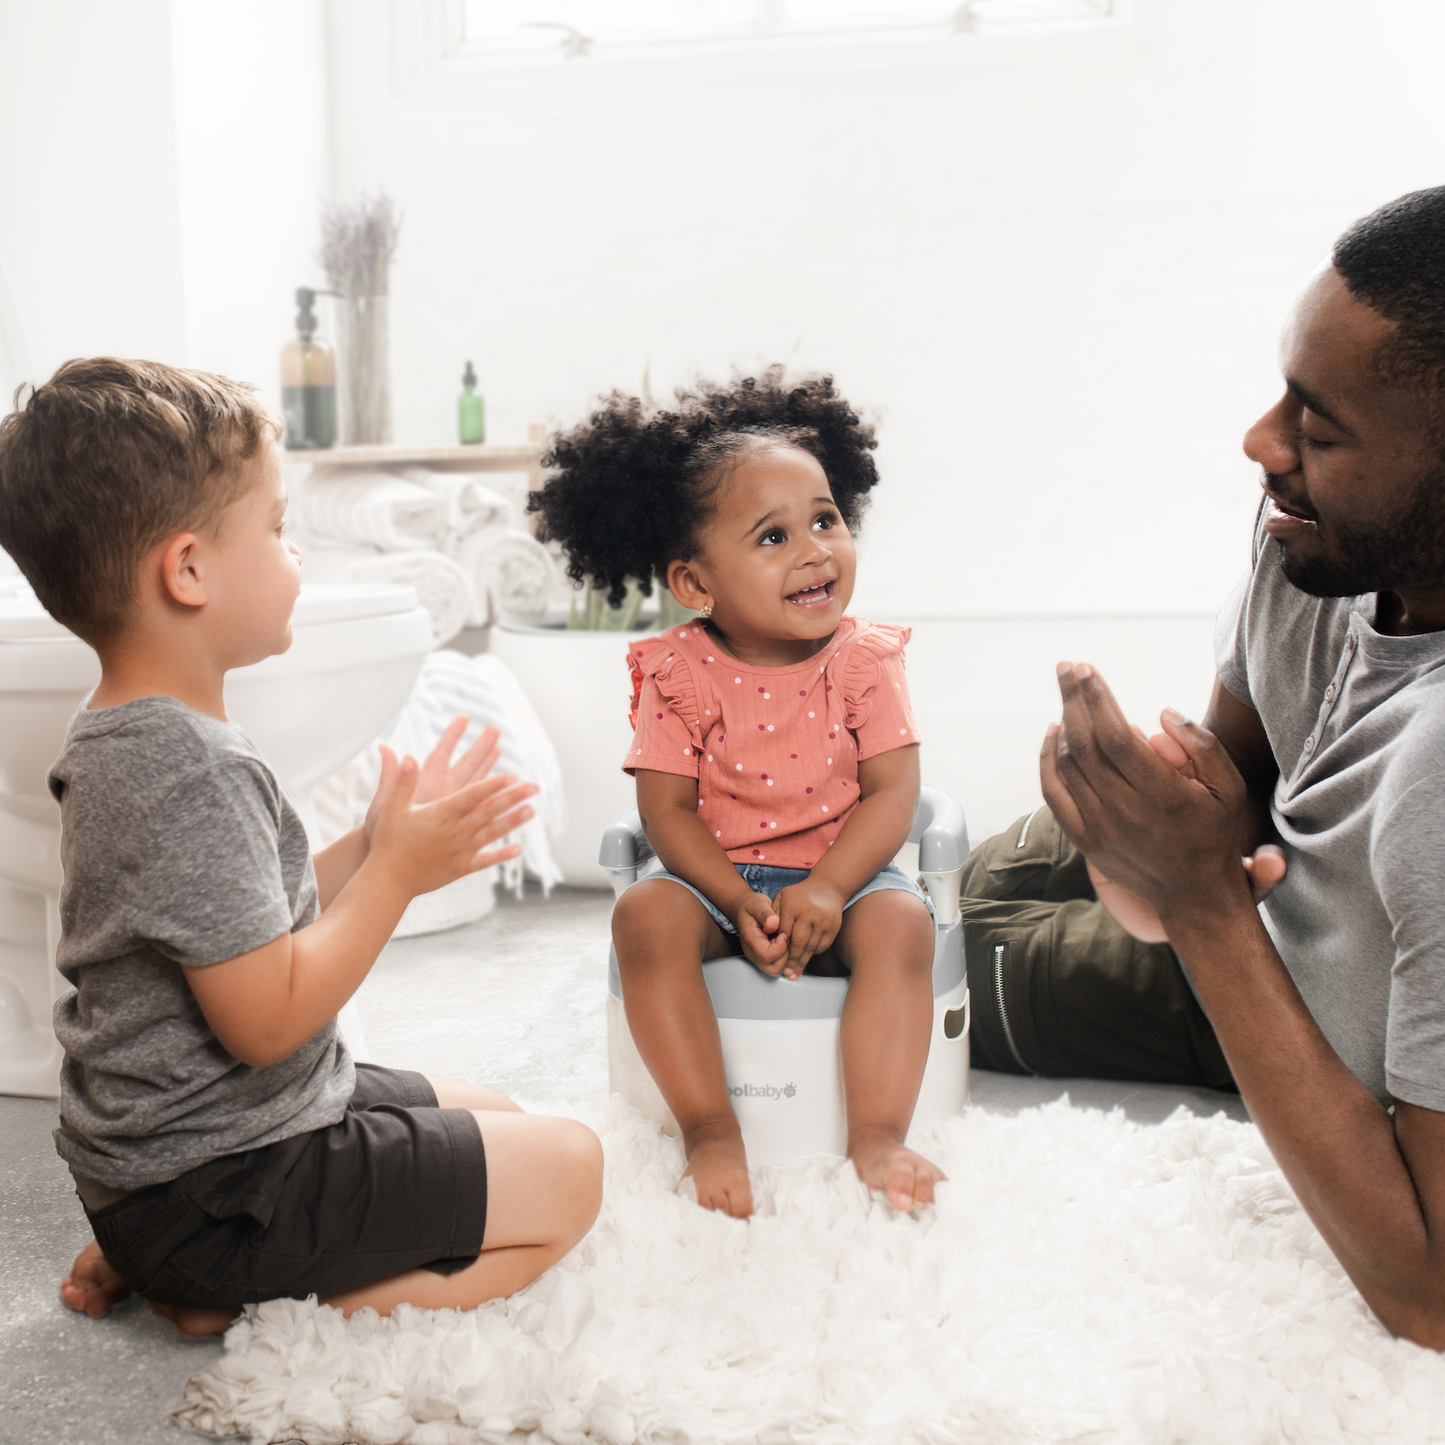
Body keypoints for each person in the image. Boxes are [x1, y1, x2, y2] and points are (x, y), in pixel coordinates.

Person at [0, 358, 603, 1339]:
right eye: (278, 528)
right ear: (188, 570)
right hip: (224, 1182)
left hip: (180, 1164)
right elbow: (269, 1019)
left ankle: (162, 1254)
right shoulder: (187, 768)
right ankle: (254, 1306)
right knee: (572, 1170)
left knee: (497, 1111)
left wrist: (370, 846)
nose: (296, 555)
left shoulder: (126, 731)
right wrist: (394, 878)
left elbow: (237, 927)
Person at [964, 185, 1445, 1348]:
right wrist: (1161, 847)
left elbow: (1430, 1301)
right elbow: (1218, 803)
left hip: (1265, 982)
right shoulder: (1309, 547)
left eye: (1316, 429)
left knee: (954, 946)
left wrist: (1196, 902)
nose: (1259, 443)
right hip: (1254, 898)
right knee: (983, 872)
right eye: (1284, 393)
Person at [531, 368, 940, 1219]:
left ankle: (877, 1132)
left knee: (904, 924)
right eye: (773, 536)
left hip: (846, 877)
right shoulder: (677, 672)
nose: (813, 549)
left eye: (824, 519)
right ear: (695, 584)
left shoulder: (865, 660)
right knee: (642, 917)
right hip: (718, 886)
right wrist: (730, 898)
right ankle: (709, 1128)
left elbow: (891, 794)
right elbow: (666, 812)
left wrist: (828, 886)